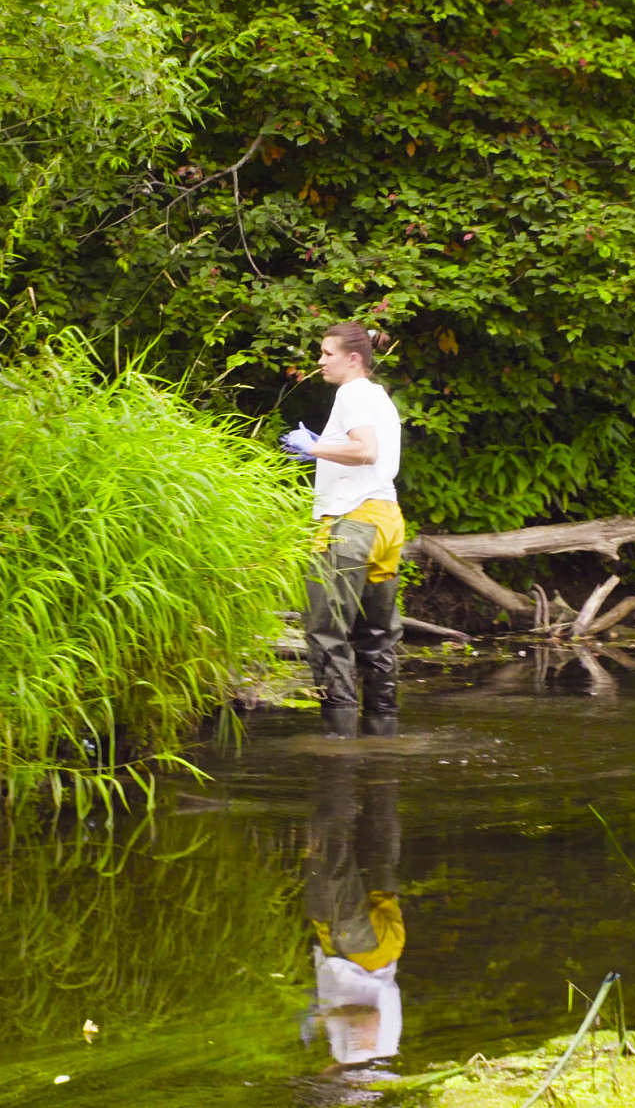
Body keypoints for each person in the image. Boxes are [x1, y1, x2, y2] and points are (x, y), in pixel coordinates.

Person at [282, 323, 404, 739]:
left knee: (327, 632)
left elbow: (364, 450)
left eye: (326, 353)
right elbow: (372, 452)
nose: (320, 362)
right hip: (386, 522)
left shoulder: (350, 393)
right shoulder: (378, 396)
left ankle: (339, 746)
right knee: (377, 636)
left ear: (353, 358)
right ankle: (383, 738)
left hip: (350, 524)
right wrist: (324, 448)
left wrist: (312, 447)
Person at [303, 758, 404, 1078]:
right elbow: (366, 1016)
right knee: (327, 851)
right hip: (360, 952)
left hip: (371, 948)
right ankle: (336, 765)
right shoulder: (363, 1066)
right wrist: (323, 1018)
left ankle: (382, 759)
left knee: (378, 842)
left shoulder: (360, 1062)